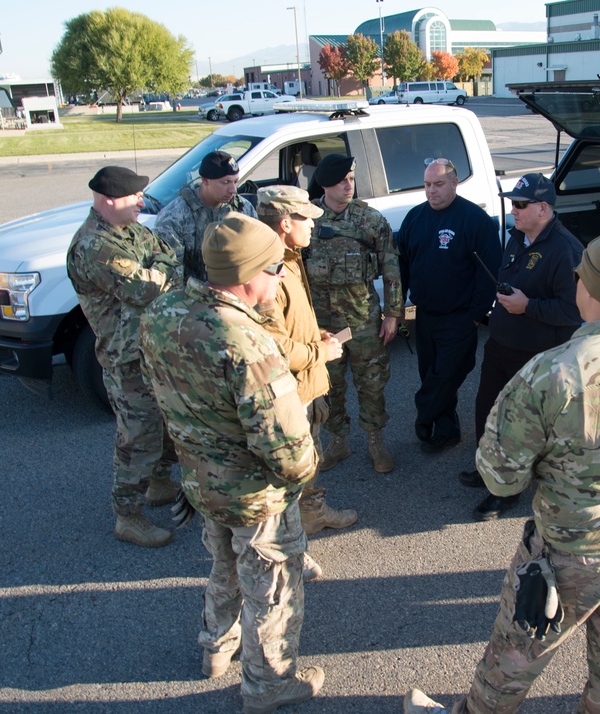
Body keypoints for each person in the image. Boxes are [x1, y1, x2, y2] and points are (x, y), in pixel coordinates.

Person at [404, 231, 600, 714]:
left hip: (568, 551)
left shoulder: (547, 374)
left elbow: (500, 478)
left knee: (513, 659)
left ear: (586, 289)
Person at [140, 213, 325, 713]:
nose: (283, 275)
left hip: (201, 481)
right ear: (246, 278)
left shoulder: (164, 312)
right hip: (254, 495)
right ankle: (269, 686)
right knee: (273, 589)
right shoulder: (247, 342)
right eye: (274, 268)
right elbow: (288, 450)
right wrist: (308, 471)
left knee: (223, 564)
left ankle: (216, 648)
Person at [66, 166, 181, 548]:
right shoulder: (93, 246)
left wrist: (158, 271)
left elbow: (170, 256)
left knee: (165, 423)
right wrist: (158, 273)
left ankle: (159, 483)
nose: (142, 203)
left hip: (154, 347)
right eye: (134, 197)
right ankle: (127, 516)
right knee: (137, 435)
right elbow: (143, 289)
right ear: (110, 200)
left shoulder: (131, 230)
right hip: (127, 357)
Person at [459, 173, 583, 521]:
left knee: (519, 426)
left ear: (544, 208)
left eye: (520, 204)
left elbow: (573, 311)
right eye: (512, 202)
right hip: (501, 343)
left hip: (535, 356)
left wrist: (527, 306)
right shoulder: (518, 237)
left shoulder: (565, 250)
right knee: (488, 410)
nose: (513, 209)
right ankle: (489, 472)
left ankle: (507, 491)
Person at [255, 185, 358, 578]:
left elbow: (292, 323)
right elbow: (273, 345)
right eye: (306, 219)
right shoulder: (269, 271)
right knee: (284, 481)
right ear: (285, 223)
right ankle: (287, 552)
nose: (314, 225)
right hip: (287, 391)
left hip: (305, 383)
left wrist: (317, 339)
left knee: (308, 463)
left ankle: (312, 515)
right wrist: (320, 353)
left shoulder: (289, 258)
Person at [304, 153, 404, 473]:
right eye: (341, 181)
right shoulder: (308, 222)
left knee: (371, 383)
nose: (349, 186)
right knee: (329, 385)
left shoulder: (370, 220)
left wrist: (392, 314)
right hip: (322, 325)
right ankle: (338, 441)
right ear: (324, 185)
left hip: (363, 321)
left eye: (351, 179)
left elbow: (392, 270)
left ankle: (375, 441)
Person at [398, 158, 502, 453]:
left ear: (455, 182)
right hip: (424, 314)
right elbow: (403, 267)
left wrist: (474, 316)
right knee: (431, 373)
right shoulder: (414, 218)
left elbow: (488, 273)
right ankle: (446, 431)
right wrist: (403, 312)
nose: (432, 191)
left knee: (447, 373)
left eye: (439, 184)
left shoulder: (474, 220)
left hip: (460, 317)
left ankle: (424, 414)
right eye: (428, 185)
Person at [155, 150, 257, 282]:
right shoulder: (174, 216)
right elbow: (169, 272)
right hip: (191, 296)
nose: (233, 190)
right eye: (225, 182)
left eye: (235, 182)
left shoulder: (244, 209)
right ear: (205, 180)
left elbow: (256, 256)